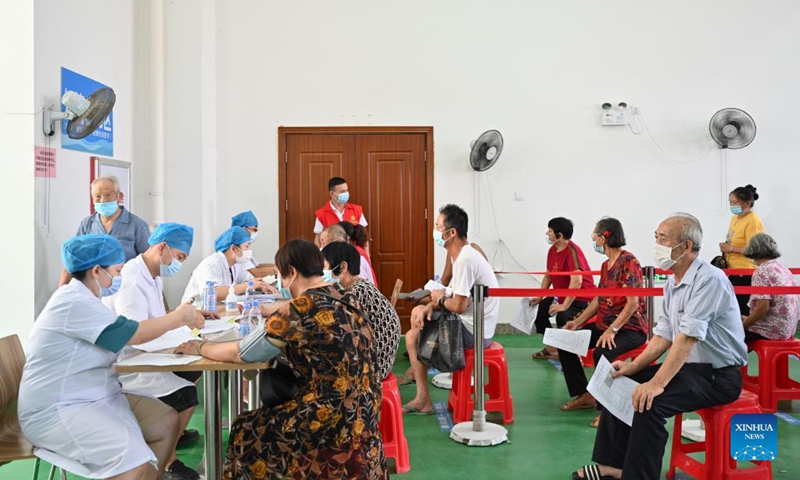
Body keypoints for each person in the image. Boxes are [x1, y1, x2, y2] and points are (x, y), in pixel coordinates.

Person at [175, 239, 387, 479]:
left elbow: (243, 353)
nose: (282, 284)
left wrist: (200, 346)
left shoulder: (298, 308)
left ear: (293, 273)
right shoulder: (346, 297)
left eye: (281, 276)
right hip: (366, 412)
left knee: (247, 428)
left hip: (332, 419)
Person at [573, 213, 747, 480]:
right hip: (689, 370)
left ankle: (639, 476)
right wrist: (633, 367)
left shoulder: (709, 279)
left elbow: (687, 340)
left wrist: (656, 383)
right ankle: (615, 466)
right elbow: (662, 337)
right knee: (617, 382)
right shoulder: (673, 284)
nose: (656, 244)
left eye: (662, 239)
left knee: (648, 403)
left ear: (686, 246)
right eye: (656, 237)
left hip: (717, 377)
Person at [19, 234, 205, 480]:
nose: (119, 277)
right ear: (97, 271)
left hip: (95, 394)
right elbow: (132, 333)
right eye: (117, 271)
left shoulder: (88, 299)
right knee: (134, 463)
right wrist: (179, 317)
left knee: (167, 422)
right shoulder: (72, 302)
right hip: (58, 408)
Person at [105, 222, 218, 480]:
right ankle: (166, 460)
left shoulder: (151, 274)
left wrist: (189, 318)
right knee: (186, 393)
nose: (178, 264)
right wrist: (179, 320)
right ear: (162, 247)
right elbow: (134, 333)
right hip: (127, 361)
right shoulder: (132, 277)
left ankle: (171, 436)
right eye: (178, 257)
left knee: (191, 374)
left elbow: (156, 318)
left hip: (147, 351)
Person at [400, 204, 499, 415]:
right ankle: (419, 380)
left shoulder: (465, 259)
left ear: (451, 232)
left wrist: (437, 301)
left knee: (411, 337)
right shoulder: (460, 255)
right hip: (468, 322)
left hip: (475, 333)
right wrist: (429, 305)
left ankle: (422, 397)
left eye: (437, 226)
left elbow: (458, 305)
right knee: (418, 318)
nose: (435, 231)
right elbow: (453, 297)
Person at [558, 218, 647, 428]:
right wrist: (577, 322)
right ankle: (586, 394)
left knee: (601, 354)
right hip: (604, 326)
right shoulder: (606, 265)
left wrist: (612, 330)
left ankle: (607, 411)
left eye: (595, 234)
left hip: (629, 329)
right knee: (566, 342)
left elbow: (632, 303)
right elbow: (598, 299)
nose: (593, 239)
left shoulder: (629, 262)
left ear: (605, 236)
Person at [322, 241, 400, 381]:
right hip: (376, 357)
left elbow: (344, 332)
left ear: (343, 267)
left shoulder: (357, 292)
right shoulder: (357, 287)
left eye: (325, 267)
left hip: (374, 366)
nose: (322, 273)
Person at [59, 175, 151, 286]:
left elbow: (149, 265)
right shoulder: (87, 224)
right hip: (94, 289)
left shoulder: (137, 225)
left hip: (127, 288)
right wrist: (62, 292)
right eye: (98, 196)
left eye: (108, 195)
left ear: (119, 196)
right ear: (92, 199)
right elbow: (72, 261)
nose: (103, 200)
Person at [530, 217, 597, 360]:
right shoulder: (552, 250)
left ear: (559, 235)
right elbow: (549, 276)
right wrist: (540, 296)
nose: (547, 233)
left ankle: (569, 354)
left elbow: (577, 281)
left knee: (563, 317)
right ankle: (552, 347)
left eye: (550, 231)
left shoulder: (573, 252)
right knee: (540, 312)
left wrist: (564, 305)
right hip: (563, 297)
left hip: (582, 299)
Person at [181, 226, 274, 304]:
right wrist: (248, 286)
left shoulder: (235, 265)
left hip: (216, 310)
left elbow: (248, 280)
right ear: (233, 248)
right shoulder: (212, 264)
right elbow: (214, 293)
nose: (249, 251)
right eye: (247, 246)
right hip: (194, 312)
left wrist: (261, 284)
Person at [741, 233, 799, 342]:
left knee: (727, 333)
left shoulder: (761, 271)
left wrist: (744, 324)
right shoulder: (783, 268)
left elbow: (762, 308)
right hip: (787, 329)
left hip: (771, 331)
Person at [719, 184, 764, 316]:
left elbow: (755, 249)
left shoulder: (753, 221)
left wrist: (732, 248)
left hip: (745, 271)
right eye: (730, 202)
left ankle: (742, 334)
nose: (731, 205)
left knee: (740, 306)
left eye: (734, 202)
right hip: (732, 269)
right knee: (731, 305)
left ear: (747, 203)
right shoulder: (735, 218)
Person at [313, 177, 368, 247]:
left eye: (346, 190)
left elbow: (364, 237)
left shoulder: (357, 210)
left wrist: (367, 256)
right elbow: (318, 239)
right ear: (332, 194)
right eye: (342, 192)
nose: (346, 193)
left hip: (354, 254)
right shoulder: (321, 214)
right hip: (332, 255)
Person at [231, 210, 276, 278]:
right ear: (243, 229)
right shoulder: (237, 249)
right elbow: (256, 272)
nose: (255, 233)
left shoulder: (244, 247)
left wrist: (279, 266)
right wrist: (276, 270)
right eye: (254, 230)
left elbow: (256, 266)